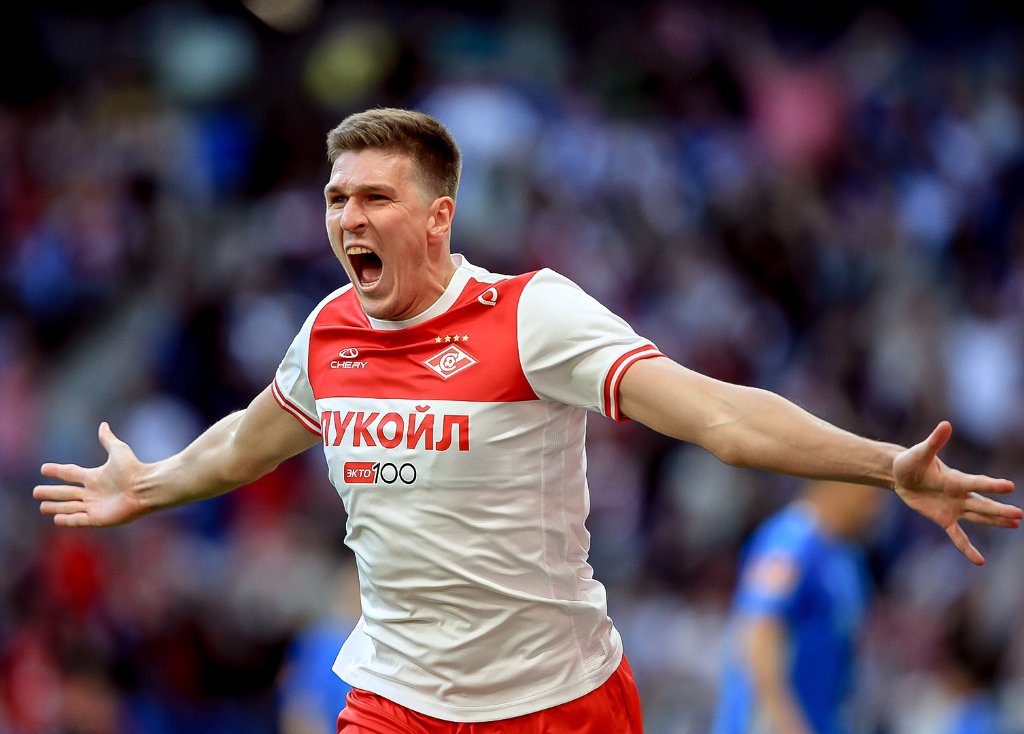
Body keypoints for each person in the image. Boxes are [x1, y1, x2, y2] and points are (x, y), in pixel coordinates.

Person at [34, 108, 1021, 733]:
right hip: (395, 699)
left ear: (438, 218)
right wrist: (151, 482)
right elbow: (245, 441)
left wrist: (882, 462)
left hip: (556, 702)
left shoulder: (529, 314)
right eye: (337, 198)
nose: (347, 219)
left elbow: (718, 415)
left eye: (375, 197)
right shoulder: (328, 331)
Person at [711, 480, 884, 734]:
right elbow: (758, 635)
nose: (875, 510)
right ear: (837, 483)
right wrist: (787, 724)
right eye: (869, 496)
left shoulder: (848, 558)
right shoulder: (790, 541)